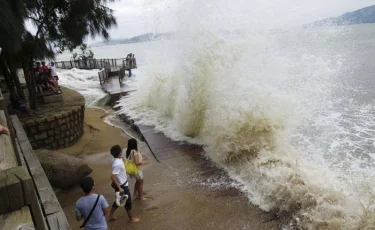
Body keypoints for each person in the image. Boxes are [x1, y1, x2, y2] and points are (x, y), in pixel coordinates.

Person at [108, 145, 140, 223]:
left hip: (121, 184)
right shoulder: (117, 163)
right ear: (119, 153)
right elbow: (112, 176)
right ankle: (131, 218)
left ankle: (110, 215)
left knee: (119, 200)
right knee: (127, 202)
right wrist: (119, 188)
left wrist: (122, 158)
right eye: (121, 151)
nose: (122, 152)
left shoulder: (115, 160)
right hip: (122, 186)